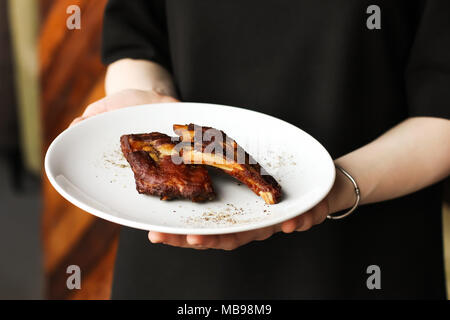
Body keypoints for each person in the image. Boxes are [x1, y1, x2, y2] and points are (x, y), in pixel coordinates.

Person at [72, 0, 450, 299]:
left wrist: (329, 188)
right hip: (174, 246)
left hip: (360, 256)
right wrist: (146, 97)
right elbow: (137, 41)